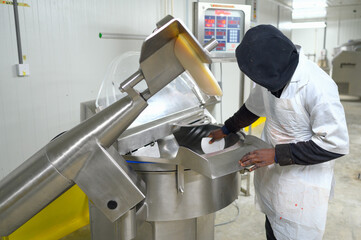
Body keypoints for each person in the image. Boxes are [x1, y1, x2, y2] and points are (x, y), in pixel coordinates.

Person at [208, 25, 349, 240]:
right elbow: (253, 107)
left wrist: (275, 154)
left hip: (303, 183)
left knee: (295, 232)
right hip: (274, 177)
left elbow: (335, 144)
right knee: (273, 225)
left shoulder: (318, 87)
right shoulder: (271, 72)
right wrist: (227, 129)